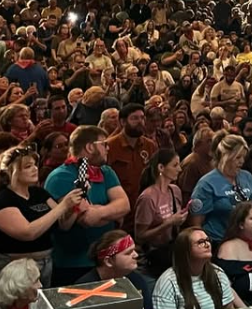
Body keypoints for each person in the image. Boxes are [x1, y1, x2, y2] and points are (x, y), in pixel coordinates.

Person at [45, 126, 130, 285]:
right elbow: (86, 220)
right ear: (90, 147)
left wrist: (98, 212)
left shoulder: (106, 171)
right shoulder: (60, 177)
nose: (107, 148)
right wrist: (110, 212)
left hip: (105, 262)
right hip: (73, 265)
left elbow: (124, 205)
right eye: (104, 144)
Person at [0, 146, 83, 286]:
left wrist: (74, 207)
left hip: (46, 261)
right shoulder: (5, 198)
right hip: (16, 265)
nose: (35, 169)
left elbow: (64, 224)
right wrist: (63, 205)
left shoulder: (39, 193)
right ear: (12, 171)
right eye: (28, 166)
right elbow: (28, 233)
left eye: (35, 165)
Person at [189, 135, 252, 245]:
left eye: (243, 157)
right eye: (237, 157)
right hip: (220, 242)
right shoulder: (206, 183)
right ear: (225, 156)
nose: (242, 161)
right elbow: (196, 225)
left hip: (250, 240)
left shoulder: (247, 176)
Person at [151, 228, 237, 309]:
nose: (207, 245)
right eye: (201, 242)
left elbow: (228, 307)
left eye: (208, 240)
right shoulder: (168, 282)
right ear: (185, 250)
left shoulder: (217, 273)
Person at [134, 149, 187, 276]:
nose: (179, 169)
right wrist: (168, 223)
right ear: (161, 167)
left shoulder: (175, 191)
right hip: (154, 257)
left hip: (172, 252)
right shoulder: (148, 197)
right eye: (175, 165)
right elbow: (140, 236)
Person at [106, 104, 157, 230]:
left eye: (142, 118)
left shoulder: (150, 146)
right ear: (123, 122)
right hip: (121, 210)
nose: (140, 122)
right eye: (134, 118)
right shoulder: (110, 147)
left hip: (144, 209)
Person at [75, 230, 153, 309]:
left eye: (134, 250)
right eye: (128, 253)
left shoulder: (136, 281)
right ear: (108, 261)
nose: (136, 255)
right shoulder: (82, 288)